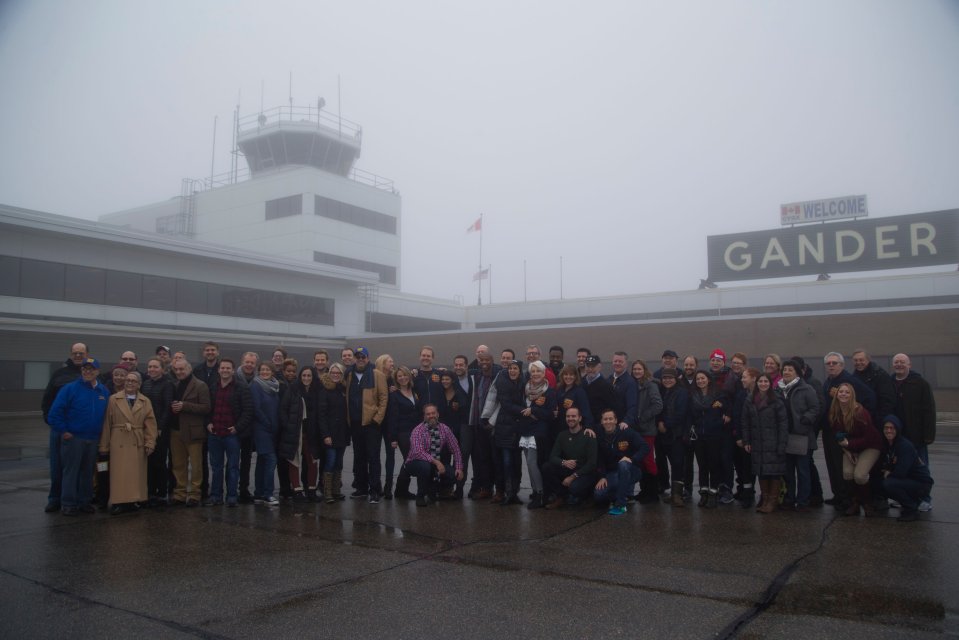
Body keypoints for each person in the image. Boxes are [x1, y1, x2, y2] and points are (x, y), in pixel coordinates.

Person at [47, 357, 109, 516]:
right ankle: (68, 503)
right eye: (85, 369)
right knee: (71, 471)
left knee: (87, 472)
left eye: (91, 369)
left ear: (98, 371)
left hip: (93, 438)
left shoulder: (103, 391)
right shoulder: (70, 389)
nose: (88, 372)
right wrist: (64, 431)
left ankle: (84, 502)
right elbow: (54, 413)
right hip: (74, 438)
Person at [820, 352, 876, 510]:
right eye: (828, 363)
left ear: (842, 365)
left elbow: (870, 397)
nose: (831, 366)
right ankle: (838, 494)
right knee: (831, 464)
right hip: (829, 429)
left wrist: (857, 417)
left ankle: (848, 498)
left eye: (834, 363)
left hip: (843, 432)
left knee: (841, 466)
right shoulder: (829, 381)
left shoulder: (849, 381)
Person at [99, 371, 158, 515]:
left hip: (137, 440)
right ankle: (119, 501)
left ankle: (133, 500)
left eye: (133, 381)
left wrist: (150, 442)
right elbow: (107, 423)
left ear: (139, 384)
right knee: (118, 473)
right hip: (118, 440)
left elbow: (150, 423)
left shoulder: (145, 401)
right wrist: (104, 446)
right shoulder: (113, 399)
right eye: (128, 380)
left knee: (135, 473)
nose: (130, 383)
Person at [41, 342, 88, 512]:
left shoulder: (90, 376)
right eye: (75, 353)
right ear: (70, 354)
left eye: (81, 353)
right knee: (57, 466)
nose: (78, 356)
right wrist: (53, 422)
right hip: (59, 429)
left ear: (87, 354)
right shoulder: (59, 375)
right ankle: (55, 498)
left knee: (78, 468)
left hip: (79, 432)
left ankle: (77, 499)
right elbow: (47, 401)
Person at [891, 353, 936, 512]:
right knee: (904, 468)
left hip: (917, 436)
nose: (899, 365)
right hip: (898, 437)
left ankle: (925, 499)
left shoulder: (920, 383)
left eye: (902, 362)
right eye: (896, 362)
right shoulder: (890, 383)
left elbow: (929, 410)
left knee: (921, 468)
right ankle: (908, 498)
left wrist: (928, 435)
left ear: (909, 364)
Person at [205, 358, 252, 507]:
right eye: (222, 368)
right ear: (219, 370)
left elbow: (248, 411)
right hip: (215, 434)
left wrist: (238, 427)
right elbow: (207, 407)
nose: (225, 370)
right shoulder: (212, 386)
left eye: (228, 368)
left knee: (233, 467)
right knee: (216, 467)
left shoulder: (241, 387)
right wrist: (208, 422)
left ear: (233, 370)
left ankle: (232, 496)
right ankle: (216, 496)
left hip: (232, 435)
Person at [830, 383, 883, 517]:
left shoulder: (860, 412)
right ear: (836, 394)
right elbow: (838, 436)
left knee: (859, 475)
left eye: (847, 392)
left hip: (870, 446)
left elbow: (869, 437)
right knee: (847, 473)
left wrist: (850, 445)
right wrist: (848, 451)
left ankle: (867, 503)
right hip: (850, 448)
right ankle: (855, 502)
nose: (843, 394)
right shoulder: (834, 412)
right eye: (841, 392)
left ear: (852, 395)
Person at [345, 347, 389, 503]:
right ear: (354, 359)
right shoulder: (349, 375)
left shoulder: (377, 375)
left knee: (373, 457)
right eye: (358, 357)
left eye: (363, 357)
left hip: (371, 424)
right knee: (359, 457)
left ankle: (375, 489)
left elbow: (384, 399)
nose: (360, 359)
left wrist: (377, 419)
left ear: (368, 358)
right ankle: (361, 488)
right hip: (355, 423)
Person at [776, 360, 820, 512]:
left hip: (802, 436)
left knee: (803, 471)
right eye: (785, 369)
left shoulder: (806, 389)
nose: (786, 372)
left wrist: (806, 419)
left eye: (790, 370)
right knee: (787, 471)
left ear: (797, 372)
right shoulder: (778, 389)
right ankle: (789, 499)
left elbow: (815, 408)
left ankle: (803, 501)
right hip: (784, 436)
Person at [741, 372, 788, 514]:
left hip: (772, 443)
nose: (763, 384)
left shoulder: (777, 400)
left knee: (773, 472)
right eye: (760, 381)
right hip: (757, 443)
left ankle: (772, 501)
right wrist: (746, 440)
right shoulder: (750, 399)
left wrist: (781, 444)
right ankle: (765, 499)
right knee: (761, 471)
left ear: (770, 384)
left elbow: (783, 424)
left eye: (766, 381)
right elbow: (745, 421)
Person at [403, 404, 464, 507]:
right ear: (424, 416)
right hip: (414, 462)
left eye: (433, 413)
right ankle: (420, 496)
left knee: (454, 475)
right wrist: (436, 462)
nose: (431, 416)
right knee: (425, 466)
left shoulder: (445, 429)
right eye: (428, 414)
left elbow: (456, 449)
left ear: (438, 414)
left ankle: (433, 490)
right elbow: (418, 452)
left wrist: (459, 468)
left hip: (434, 463)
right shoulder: (418, 430)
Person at [170, 360, 211, 506]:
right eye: (176, 369)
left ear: (189, 369)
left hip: (193, 431)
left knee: (195, 466)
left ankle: (194, 494)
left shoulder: (200, 385)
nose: (179, 372)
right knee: (178, 464)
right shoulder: (174, 385)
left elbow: (206, 407)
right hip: (176, 430)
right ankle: (180, 493)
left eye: (182, 369)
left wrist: (185, 406)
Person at [593, 409, 649, 516]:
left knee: (623, 464)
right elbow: (599, 459)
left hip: (631, 470)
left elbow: (645, 447)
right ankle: (620, 493)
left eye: (610, 419)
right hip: (612, 473)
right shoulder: (599, 435)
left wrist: (632, 459)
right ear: (601, 421)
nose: (608, 421)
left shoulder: (627, 432)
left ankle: (621, 504)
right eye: (605, 419)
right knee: (599, 495)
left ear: (616, 420)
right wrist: (602, 476)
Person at [279, 365, 322, 503]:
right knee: (294, 462)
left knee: (312, 462)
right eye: (304, 375)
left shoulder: (318, 391)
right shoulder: (293, 390)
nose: (306, 378)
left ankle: (311, 489)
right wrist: (288, 427)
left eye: (309, 375)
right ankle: (297, 490)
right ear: (300, 376)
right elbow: (283, 410)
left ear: (313, 377)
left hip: (312, 433)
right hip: (296, 432)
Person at [517, 360, 556, 509]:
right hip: (526, 430)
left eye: (538, 371)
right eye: (533, 371)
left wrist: (534, 411)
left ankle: (541, 494)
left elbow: (551, 414)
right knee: (528, 463)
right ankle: (535, 491)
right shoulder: (525, 389)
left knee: (533, 463)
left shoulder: (549, 391)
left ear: (544, 372)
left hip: (539, 432)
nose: (535, 374)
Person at [880, 415, 934, 522]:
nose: (889, 431)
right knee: (878, 483)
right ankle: (910, 503)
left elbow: (901, 472)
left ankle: (912, 508)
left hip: (921, 483)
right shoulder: (888, 444)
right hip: (908, 480)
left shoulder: (905, 446)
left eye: (892, 428)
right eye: (886, 428)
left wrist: (888, 473)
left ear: (898, 429)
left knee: (888, 484)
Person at [542, 406, 598, 509]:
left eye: (573, 416)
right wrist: (564, 462)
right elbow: (552, 456)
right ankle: (561, 497)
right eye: (568, 416)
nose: (570, 418)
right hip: (570, 468)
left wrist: (573, 477)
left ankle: (587, 497)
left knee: (574, 488)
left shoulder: (589, 435)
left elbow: (592, 463)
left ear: (580, 418)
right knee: (547, 467)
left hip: (585, 472)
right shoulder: (562, 435)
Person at [689, 370, 730, 508]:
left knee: (714, 464)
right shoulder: (692, 395)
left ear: (708, 379)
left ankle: (713, 493)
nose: (700, 381)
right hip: (699, 435)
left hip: (714, 434)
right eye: (698, 379)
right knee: (702, 466)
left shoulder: (718, 394)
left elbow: (727, 407)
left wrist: (725, 415)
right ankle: (704, 493)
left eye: (703, 378)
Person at [488, 359, 526, 505]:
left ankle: (514, 492)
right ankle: (507, 492)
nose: (512, 371)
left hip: (517, 429)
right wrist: (525, 411)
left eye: (515, 368)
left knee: (517, 462)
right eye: (510, 368)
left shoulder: (522, 384)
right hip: (504, 429)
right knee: (506, 462)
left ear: (519, 370)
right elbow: (507, 404)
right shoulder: (503, 384)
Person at [141, 357, 174, 506]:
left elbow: (168, 408)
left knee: (160, 462)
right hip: (146, 428)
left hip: (160, 429)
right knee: (148, 461)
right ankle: (150, 492)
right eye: (150, 366)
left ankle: (161, 493)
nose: (152, 369)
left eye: (155, 367)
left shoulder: (168, 385)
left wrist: (160, 427)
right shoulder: (145, 384)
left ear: (162, 369)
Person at [469, 348, 500, 499]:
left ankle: (500, 490)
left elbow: (501, 402)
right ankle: (487, 488)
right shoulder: (477, 376)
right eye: (482, 360)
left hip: (493, 424)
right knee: (484, 458)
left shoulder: (498, 376)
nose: (484, 363)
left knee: (496, 458)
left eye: (487, 360)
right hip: (479, 424)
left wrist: (492, 422)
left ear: (492, 361)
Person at [657, 368, 690, 507]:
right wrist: (659, 422)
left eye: (670, 378)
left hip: (677, 434)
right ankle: (673, 493)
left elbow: (681, 414)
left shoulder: (681, 392)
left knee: (677, 464)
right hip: (665, 435)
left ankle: (677, 495)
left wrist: (666, 424)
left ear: (676, 379)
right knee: (669, 463)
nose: (667, 380)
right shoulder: (663, 391)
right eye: (665, 378)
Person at [631, 360, 663, 504]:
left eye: (639, 369)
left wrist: (642, 418)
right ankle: (644, 491)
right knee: (641, 461)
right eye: (635, 369)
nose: (637, 371)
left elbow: (658, 405)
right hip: (636, 429)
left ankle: (653, 493)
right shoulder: (634, 385)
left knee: (648, 459)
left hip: (647, 429)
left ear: (644, 370)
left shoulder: (651, 385)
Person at [388, 366, 421, 500]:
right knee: (409, 459)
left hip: (417, 431)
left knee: (412, 459)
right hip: (403, 432)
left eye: (404, 375)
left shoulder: (414, 391)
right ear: (396, 379)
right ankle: (401, 490)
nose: (402, 378)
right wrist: (393, 438)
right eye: (399, 376)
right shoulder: (394, 395)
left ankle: (402, 490)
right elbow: (393, 417)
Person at [250, 362, 281, 505]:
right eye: (262, 370)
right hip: (261, 429)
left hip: (273, 430)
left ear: (272, 372)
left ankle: (259, 493)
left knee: (262, 461)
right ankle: (268, 493)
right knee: (271, 460)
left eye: (267, 370)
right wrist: (266, 423)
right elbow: (255, 408)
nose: (264, 372)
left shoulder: (275, 386)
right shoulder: (255, 385)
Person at [318, 363, 349, 503]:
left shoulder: (343, 389)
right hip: (330, 432)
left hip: (342, 432)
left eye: (338, 373)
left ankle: (336, 490)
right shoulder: (324, 390)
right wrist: (325, 435)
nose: (336, 375)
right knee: (330, 461)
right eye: (333, 372)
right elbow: (321, 415)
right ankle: (327, 492)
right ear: (329, 373)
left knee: (339, 462)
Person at [436, 369, 469, 498]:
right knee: (444, 460)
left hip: (457, 431)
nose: (444, 381)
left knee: (458, 460)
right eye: (443, 379)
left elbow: (464, 407)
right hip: (442, 431)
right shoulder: (439, 393)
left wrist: (458, 406)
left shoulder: (459, 393)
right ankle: (445, 488)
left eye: (447, 379)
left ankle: (459, 488)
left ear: (452, 380)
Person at [375, 353, 397, 498]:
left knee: (390, 455)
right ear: (383, 363)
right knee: (375, 455)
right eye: (390, 361)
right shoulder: (375, 378)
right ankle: (376, 486)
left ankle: (388, 486)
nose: (392, 363)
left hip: (390, 421)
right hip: (377, 421)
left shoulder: (394, 379)